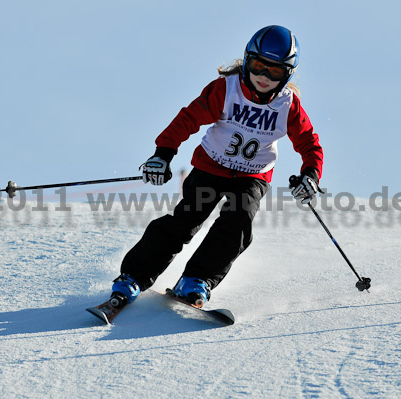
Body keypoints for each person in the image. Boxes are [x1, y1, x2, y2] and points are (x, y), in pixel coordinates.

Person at [110, 25, 324, 308]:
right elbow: (187, 119)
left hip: (251, 176)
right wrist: (163, 154)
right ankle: (134, 276)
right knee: (185, 221)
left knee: (239, 222)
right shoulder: (226, 89)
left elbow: (310, 144)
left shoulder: (287, 105)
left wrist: (310, 175)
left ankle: (196, 279)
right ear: (247, 60)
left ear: (287, 75)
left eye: (275, 72)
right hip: (211, 167)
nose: (263, 77)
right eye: (259, 66)